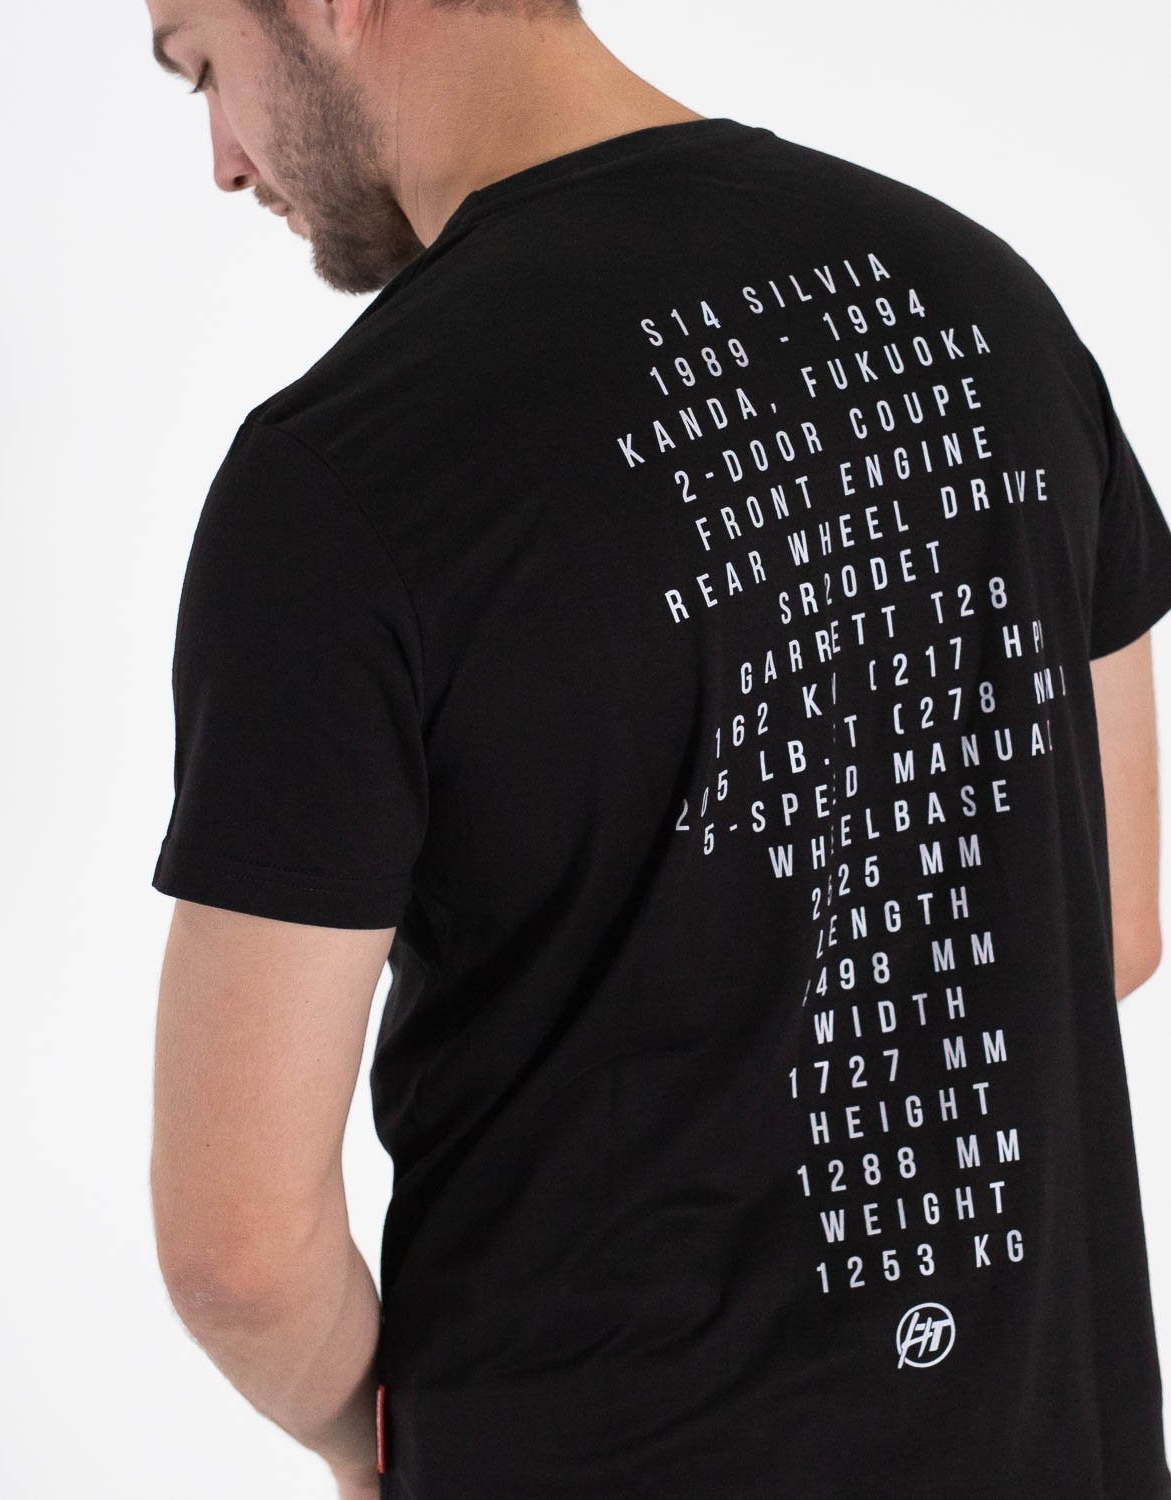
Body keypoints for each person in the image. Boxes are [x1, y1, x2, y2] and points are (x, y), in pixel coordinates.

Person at [145, 1, 1171, 1495]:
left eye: (202, 64)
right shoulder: (989, 306)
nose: (225, 160)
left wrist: (379, 1449)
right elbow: (1111, 923)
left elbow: (236, 1252)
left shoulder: (346, 468)